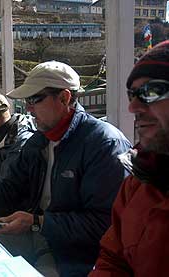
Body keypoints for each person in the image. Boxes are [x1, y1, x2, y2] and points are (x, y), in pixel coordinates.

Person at [0, 61, 132, 276]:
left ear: (64, 98)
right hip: (38, 236)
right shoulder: (39, 141)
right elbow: (8, 192)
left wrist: (38, 222)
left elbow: (108, 226)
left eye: (34, 99)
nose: (29, 108)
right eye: (27, 101)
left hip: (75, 257)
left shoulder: (104, 144)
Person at [89, 41, 169, 276]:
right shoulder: (138, 181)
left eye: (151, 91)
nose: (133, 107)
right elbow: (113, 260)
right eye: (131, 94)